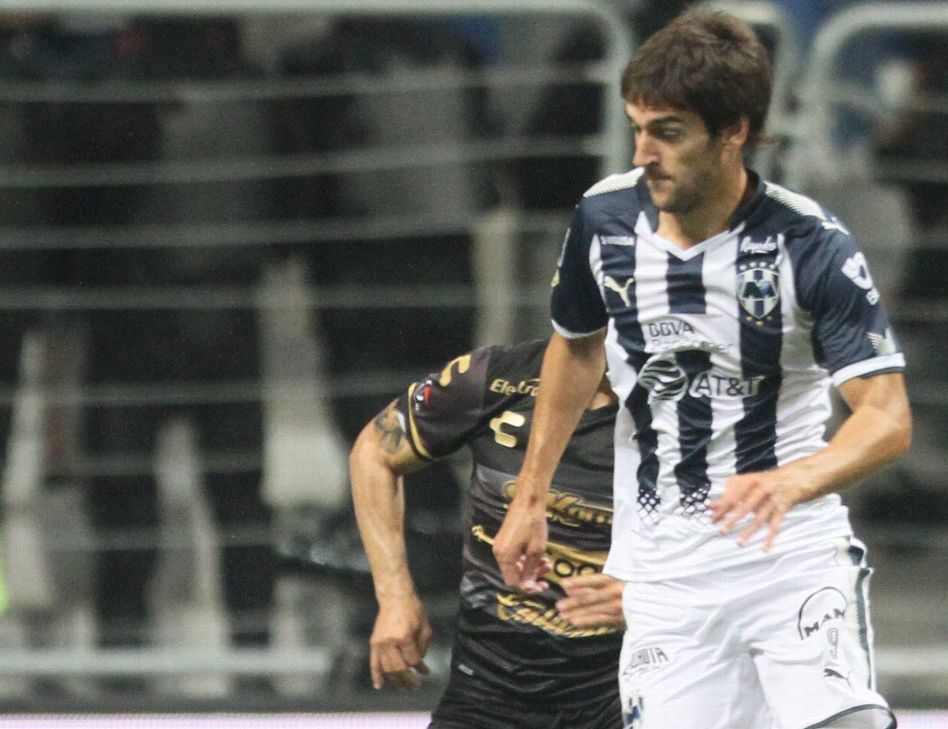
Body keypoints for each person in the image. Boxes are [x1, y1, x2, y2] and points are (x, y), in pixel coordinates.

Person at [494, 10, 912, 729]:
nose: (644, 153)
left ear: (735, 131)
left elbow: (887, 416)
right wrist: (530, 492)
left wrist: (793, 479)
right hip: (663, 569)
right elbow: (576, 346)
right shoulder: (604, 220)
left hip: (788, 557)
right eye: (637, 128)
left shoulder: (811, 245)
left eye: (669, 132)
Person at [349, 339, 626, 729]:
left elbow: (738, 540)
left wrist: (655, 601)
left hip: (630, 687)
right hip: (488, 690)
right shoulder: (498, 376)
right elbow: (374, 452)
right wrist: (395, 598)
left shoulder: (691, 410)